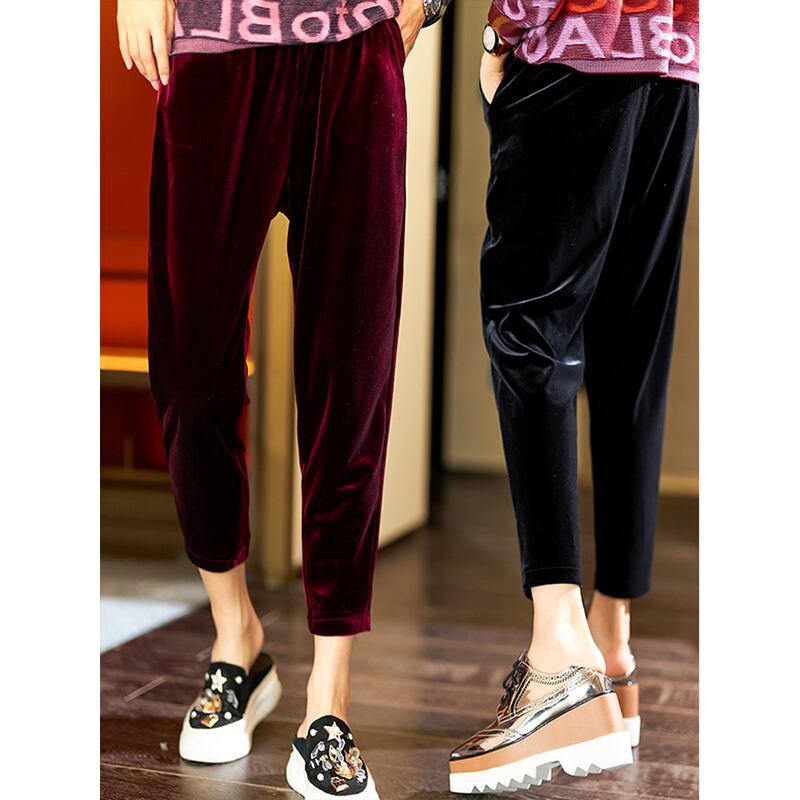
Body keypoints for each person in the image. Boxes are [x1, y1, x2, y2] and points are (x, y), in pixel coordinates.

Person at [115, 1, 449, 798]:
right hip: (215, 46)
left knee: (352, 385)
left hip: (354, 52)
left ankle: (329, 698)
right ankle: (236, 634)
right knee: (190, 378)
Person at [448, 1, 699, 793]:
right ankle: (611, 647)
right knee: (631, 348)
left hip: (574, 51)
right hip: (674, 63)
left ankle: (559, 657)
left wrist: (503, 28)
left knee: (528, 333)